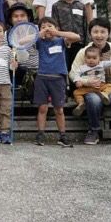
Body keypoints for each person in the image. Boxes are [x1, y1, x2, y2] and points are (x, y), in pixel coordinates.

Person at [70, 18, 111, 146]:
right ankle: (94, 131)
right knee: (93, 100)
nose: (99, 35)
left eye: (103, 32)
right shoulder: (83, 52)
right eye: (95, 32)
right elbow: (73, 73)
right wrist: (86, 82)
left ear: (108, 33)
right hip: (91, 88)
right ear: (90, 34)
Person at [33, 17, 80, 147]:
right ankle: (40, 134)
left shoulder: (61, 41)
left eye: (50, 26)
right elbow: (22, 41)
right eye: (43, 27)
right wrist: (39, 34)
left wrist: (57, 33)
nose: (47, 29)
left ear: (56, 28)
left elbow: (76, 37)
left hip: (58, 78)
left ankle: (62, 135)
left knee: (59, 109)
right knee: (42, 108)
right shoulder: (39, 41)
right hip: (42, 77)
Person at [51, 0, 87, 87]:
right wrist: (59, 40)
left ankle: (75, 91)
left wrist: (86, 42)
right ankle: (63, 91)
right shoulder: (56, 6)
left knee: (77, 68)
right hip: (64, 43)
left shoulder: (81, 6)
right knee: (64, 67)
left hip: (79, 42)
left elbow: (85, 24)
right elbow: (55, 25)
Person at [70, 46, 111, 117]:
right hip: (87, 88)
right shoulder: (82, 68)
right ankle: (81, 104)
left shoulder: (101, 64)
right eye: (88, 58)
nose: (91, 60)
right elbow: (76, 75)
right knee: (76, 92)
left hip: (100, 87)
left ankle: (104, 94)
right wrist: (77, 81)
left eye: (94, 58)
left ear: (99, 59)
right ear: (85, 58)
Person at [7, 3, 39, 101]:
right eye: (15, 16)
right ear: (11, 19)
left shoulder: (37, 30)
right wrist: (11, 61)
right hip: (18, 71)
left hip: (37, 71)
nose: (19, 19)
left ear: (28, 17)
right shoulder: (7, 34)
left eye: (22, 16)